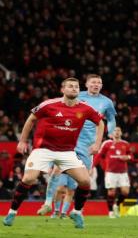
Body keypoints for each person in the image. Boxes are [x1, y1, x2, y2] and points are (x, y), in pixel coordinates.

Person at [2, 78, 104, 228]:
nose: (74, 89)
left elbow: (100, 123)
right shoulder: (49, 105)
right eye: (70, 86)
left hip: (67, 152)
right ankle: (12, 212)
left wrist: (97, 143)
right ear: (62, 90)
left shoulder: (85, 108)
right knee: (29, 179)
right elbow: (31, 119)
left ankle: (76, 212)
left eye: (76, 87)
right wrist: (23, 141)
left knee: (85, 181)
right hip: (43, 150)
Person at [37, 74, 116, 216]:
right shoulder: (76, 95)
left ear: (102, 85)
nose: (96, 85)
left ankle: (75, 211)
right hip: (70, 140)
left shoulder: (107, 102)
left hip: (88, 145)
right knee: (56, 170)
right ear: (86, 84)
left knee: (81, 182)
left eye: (99, 83)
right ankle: (48, 204)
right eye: (93, 82)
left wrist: (110, 131)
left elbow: (110, 119)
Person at [96, 126, 131, 218]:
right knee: (111, 192)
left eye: (119, 130)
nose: (117, 132)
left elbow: (131, 155)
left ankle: (116, 205)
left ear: (121, 133)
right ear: (111, 133)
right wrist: (92, 167)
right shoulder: (106, 143)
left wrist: (128, 157)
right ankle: (111, 211)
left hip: (123, 172)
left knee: (125, 192)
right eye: (115, 130)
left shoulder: (125, 144)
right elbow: (99, 155)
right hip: (110, 172)